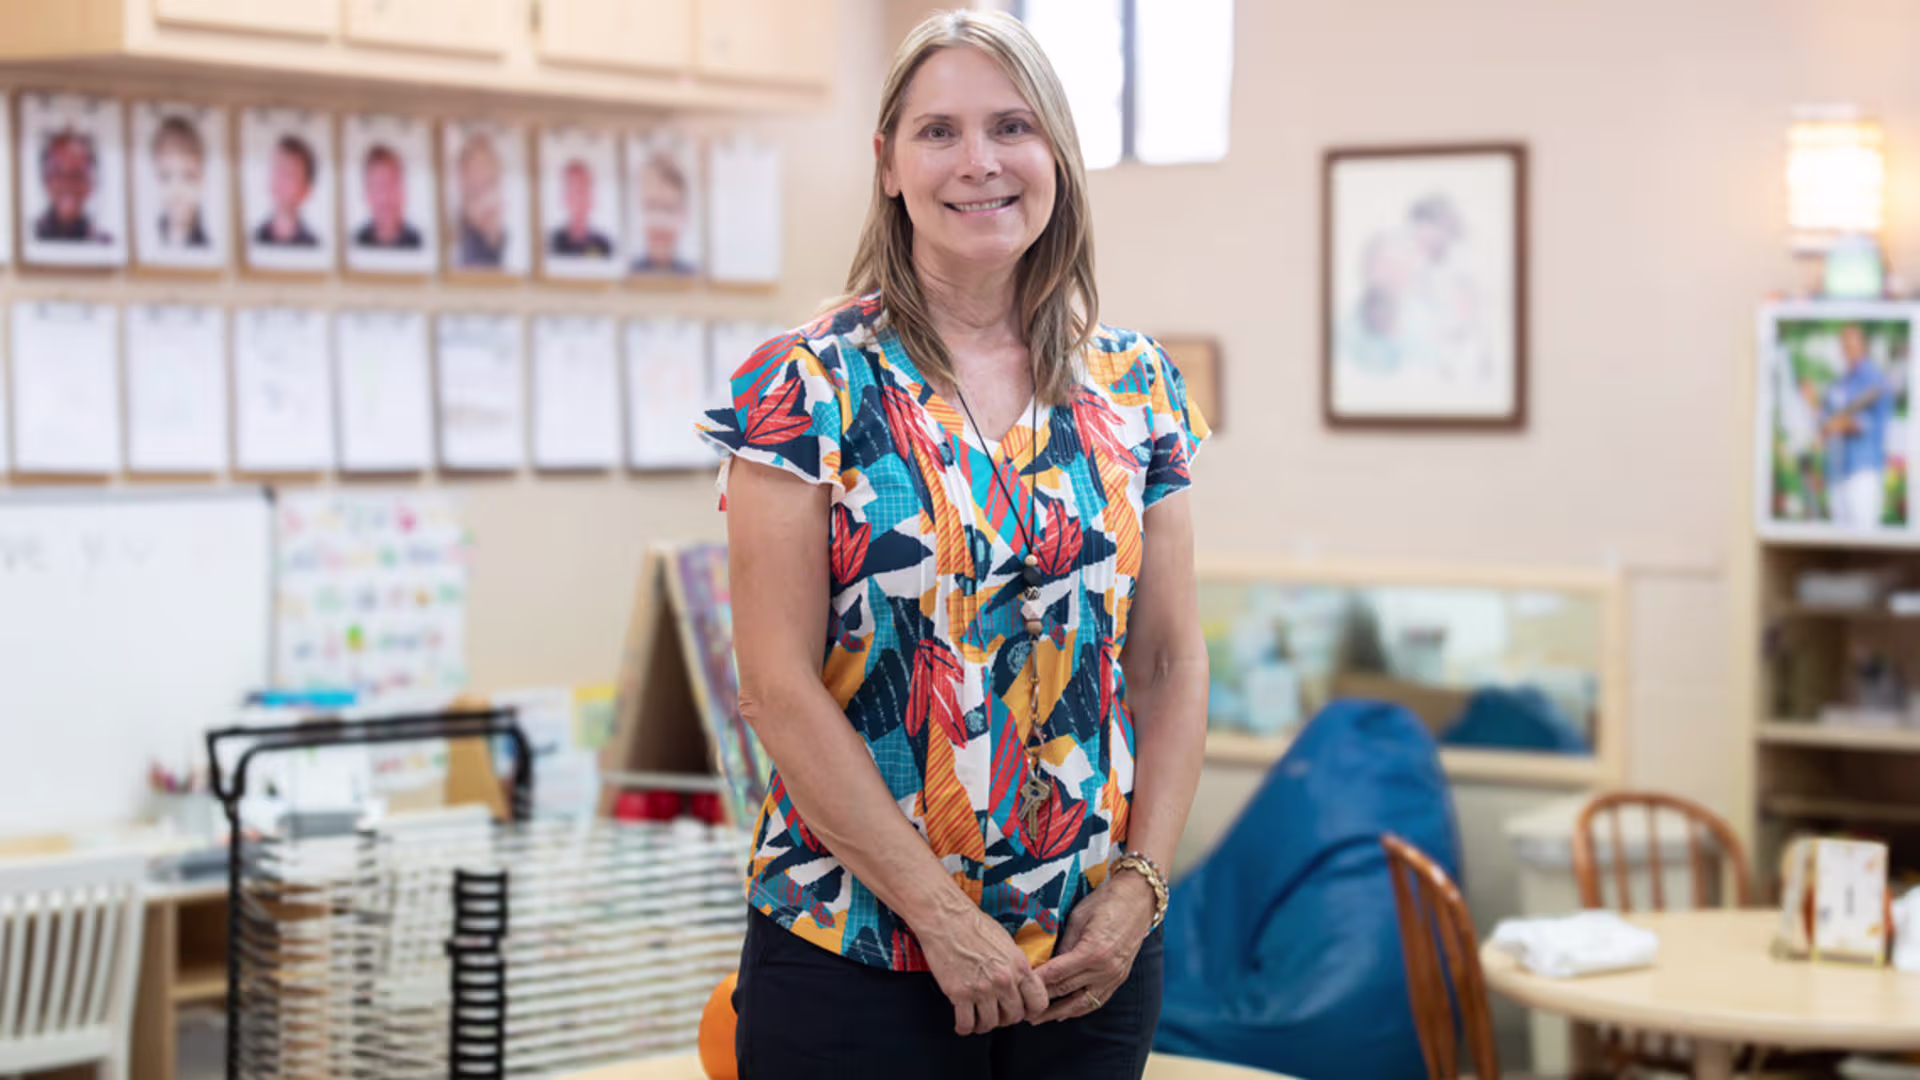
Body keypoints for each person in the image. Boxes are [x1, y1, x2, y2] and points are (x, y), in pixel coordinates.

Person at [695, 11, 1209, 1077]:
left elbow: (1169, 662)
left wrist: (1138, 890)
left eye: (1011, 126)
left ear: (1056, 154)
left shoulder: (1137, 384)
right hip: (855, 952)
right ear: (886, 164)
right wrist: (943, 918)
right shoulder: (805, 384)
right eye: (938, 132)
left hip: (1087, 962)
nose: (979, 162)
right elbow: (775, 685)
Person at [1822, 322, 1895, 529]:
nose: (1847, 349)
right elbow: (1826, 417)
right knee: (1839, 544)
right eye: (1844, 344)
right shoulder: (1843, 381)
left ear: (1863, 345)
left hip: (1863, 472)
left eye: (1852, 343)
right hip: (1839, 470)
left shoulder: (1874, 378)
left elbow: (1861, 424)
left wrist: (1837, 424)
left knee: (1864, 537)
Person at [35, 128, 111, 244]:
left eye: (77, 174)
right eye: (58, 173)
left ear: (90, 184)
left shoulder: (103, 242)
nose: (67, 183)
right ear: (46, 180)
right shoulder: (32, 236)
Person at [630, 149, 695, 275]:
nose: (659, 221)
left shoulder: (695, 276)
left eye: (668, 209)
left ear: (684, 215)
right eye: (651, 207)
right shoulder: (628, 271)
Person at [150, 116, 208, 249]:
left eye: (188, 177)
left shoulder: (210, 250)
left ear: (203, 181)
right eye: (165, 177)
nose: (176, 191)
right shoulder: (149, 244)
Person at [452, 132, 508, 269]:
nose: (480, 172)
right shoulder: (455, 223)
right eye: (475, 166)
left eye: (485, 164)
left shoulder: (499, 217)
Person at [354, 142, 422, 250]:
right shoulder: (355, 243)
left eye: (391, 184)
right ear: (367, 194)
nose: (385, 196)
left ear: (403, 190)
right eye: (378, 186)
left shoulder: (419, 243)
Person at [255, 134, 319, 247]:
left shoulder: (312, 245)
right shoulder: (255, 239)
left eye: (289, 174)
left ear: (306, 190)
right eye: (277, 169)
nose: (281, 180)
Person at [548, 158, 612, 258]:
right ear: (565, 197)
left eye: (584, 190)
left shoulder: (604, 244)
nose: (580, 199)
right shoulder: (551, 243)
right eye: (575, 191)